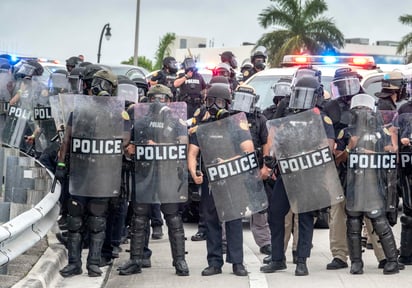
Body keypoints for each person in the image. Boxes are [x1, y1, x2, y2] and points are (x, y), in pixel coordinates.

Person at [261, 74, 339, 276]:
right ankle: (278, 258)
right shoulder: (286, 112)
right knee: (276, 213)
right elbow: (274, 134)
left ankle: (301, 260)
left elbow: (328, 147)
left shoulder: (322, 116)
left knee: (304, 218)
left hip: (308, 175)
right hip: (287, 174)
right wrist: (271, 156)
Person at [56, 69, 128, 277]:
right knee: (75, 220)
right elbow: (67, 140)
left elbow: (124, 140)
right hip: (80, 171)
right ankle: (74, 263)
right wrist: (61, 165)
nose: (99, 89)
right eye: (97, 84)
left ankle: (93, 264)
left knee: (98, 221)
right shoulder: (79, 111)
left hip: (103, 174)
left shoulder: (119, 113)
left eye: (104, 85)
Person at [117, 84, 189, 277]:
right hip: (144, 173)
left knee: (173, 217)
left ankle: (180, 261)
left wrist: (158, 145)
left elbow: (183, 146)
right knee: (139, 217)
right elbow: (128, 145)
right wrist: (131, 147)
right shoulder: (140, 122)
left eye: (162, 98)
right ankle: (135, 260)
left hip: (167, 175)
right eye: (154, 98)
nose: (158, 102)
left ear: (169, 100)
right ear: (148, 100)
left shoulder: (177, 121)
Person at [324, 67, 390, 270]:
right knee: (338, 212)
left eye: (349, 83)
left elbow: (382, 138)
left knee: (372, 210)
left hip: (367, 169)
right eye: (341, 84)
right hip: (340, 165)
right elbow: (328, 137)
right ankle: (340, 256)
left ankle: (384, 256)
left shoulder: (368, 104)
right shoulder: (331, 107)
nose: (346, 89)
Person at [188, 82, 257, 277]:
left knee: (234, 220)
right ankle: (214, 262)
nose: (214, 105)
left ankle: (237, 263)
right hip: (212, 181)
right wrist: (194, 172)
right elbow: (192, 153)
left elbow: (248, 149)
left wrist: (226, 161)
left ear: (227, 103)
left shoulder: (236, 123)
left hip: (233, 178)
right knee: (211, 221)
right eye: (210, 101)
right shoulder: (201, 126)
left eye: (218, 101)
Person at [336, 93, 401, 275]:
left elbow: (391, 154)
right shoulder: (347, 132)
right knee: (353, 223)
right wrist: (350, 146)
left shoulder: (381, 132)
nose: (362, 112)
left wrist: (370, 152)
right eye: (359, 108)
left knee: (379, 221)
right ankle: (356, 263)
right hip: (353, 183)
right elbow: (337, 159)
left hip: (374, 183)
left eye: (365, 108)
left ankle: (391, 261)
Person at [231, 84, 272, 256]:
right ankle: (227, 241)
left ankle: (264, 242)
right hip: (233, 167)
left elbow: (266, 143)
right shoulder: (228, 117)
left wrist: (265, 166)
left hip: (254, 167)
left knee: (259, 207)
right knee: (232, 206)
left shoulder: (259, 119)